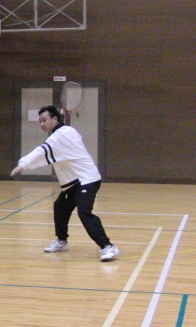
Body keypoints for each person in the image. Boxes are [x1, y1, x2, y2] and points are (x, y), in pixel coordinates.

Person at [10, 105, 120, 262]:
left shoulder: (60, 136)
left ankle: (108, 246)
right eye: (40, 121)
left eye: (44, 120)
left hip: (87, 179)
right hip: (75, 181)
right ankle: (62, 241)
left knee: (84, 212)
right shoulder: (67, 131)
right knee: (60, 207)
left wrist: (24, 164)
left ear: (55, 119)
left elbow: (42, 151)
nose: (42, 124)